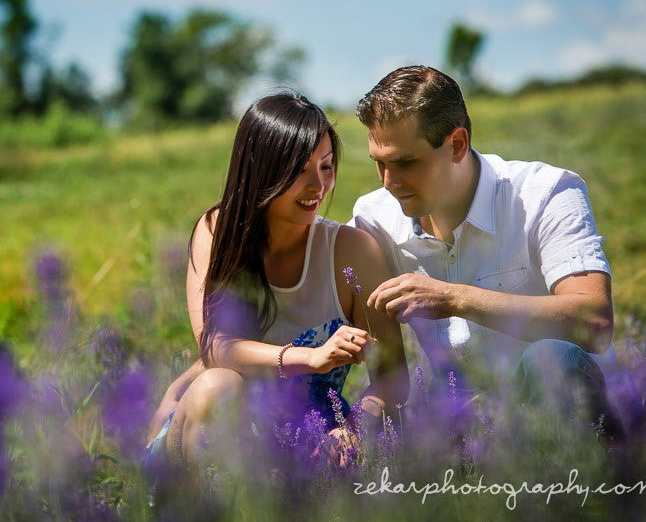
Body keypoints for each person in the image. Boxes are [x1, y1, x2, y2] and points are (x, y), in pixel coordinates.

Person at [144, 92, 409, 465]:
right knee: (219, 384)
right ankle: (198, 517)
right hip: (215, 438)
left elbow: (393, 376)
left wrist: (354, 427)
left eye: (326, 166)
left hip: (316, 439)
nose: (317, 186)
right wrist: (311, 357)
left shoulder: (353, 251)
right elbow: (215, 347)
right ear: (259, 169)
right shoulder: (218, 232)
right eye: (299, 171)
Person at [349, 65, 619, 430]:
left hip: (577, 424)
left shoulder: (546, 193)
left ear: (457, 145)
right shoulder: (374, 217)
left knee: (551, 357)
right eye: (378, 164)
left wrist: (455, 298)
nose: (390, 182)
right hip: (467, 430)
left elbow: (595, 322)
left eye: (405, 162)